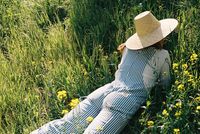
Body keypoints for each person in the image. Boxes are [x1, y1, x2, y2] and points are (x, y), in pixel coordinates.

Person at [31, 11, 178, 134]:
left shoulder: (127, 47)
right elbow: (165, 84)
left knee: (63, 126)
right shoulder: (162, 55)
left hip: (104, 91)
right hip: (124, 100)